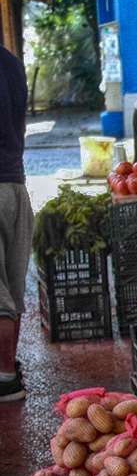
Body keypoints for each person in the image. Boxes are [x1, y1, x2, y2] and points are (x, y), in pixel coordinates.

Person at [0, 46, 31, 403]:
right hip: (14, 184)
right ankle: (8, 367)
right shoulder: (9, 62)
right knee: (11, 284)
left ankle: (5, 378)